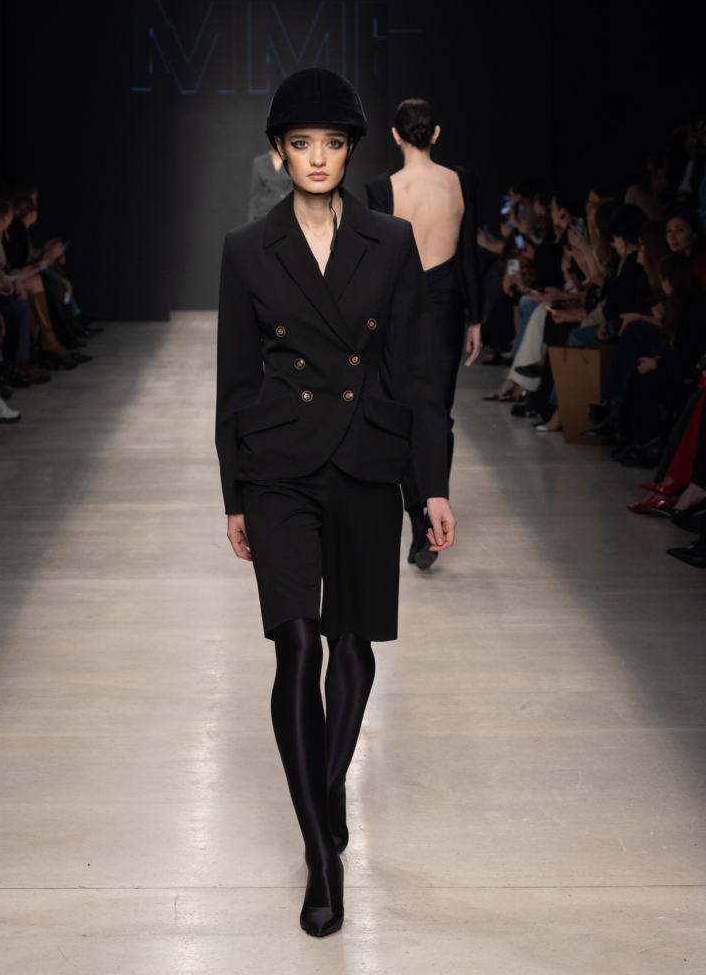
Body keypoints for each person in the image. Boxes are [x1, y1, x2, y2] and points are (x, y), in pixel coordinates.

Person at [215, 68, 455, 938]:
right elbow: (233, 381)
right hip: (279, 464)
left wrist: (431, 484)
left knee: (353, 641)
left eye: (331, 143)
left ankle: (324, 787)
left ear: (351, 150)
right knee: (297, 643)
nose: (316, 158)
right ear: (279, 153)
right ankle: (322, 853)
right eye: (301, 144)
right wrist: (234, 493)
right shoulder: (248, 249)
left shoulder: (390, 242)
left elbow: (417, 372)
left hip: (363, 459)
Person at [365, 98, 481, 567]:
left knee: (403, 413)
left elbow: (376, 266)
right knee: (439, 414)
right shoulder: (461, 181)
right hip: (448, 305)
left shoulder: (381, 188)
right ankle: (436, 513)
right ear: (435, 133)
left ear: (395, 135)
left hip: (400, 307)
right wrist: (477, 318)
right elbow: (468, 254)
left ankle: (418, 521)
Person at [247, 146, 293, 221]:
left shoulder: (294, 160)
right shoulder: (259, 161)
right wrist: (250, 222)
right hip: (265, 213)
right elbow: (255, 194)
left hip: (288, 211)